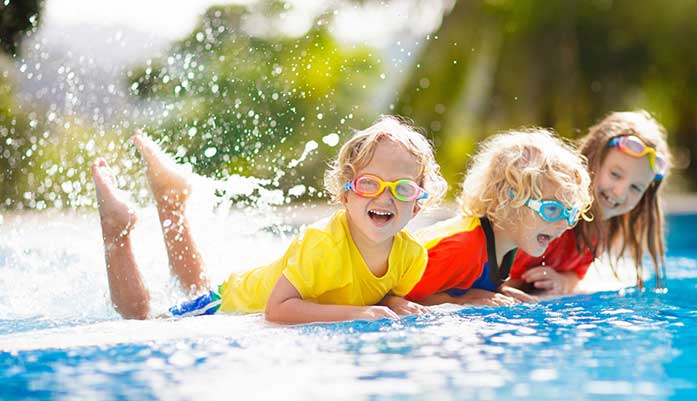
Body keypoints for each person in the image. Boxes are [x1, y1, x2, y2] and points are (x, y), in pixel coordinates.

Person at [92, 115, 448, 323]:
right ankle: (117, 231)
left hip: (240, 292)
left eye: (402, 189)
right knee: (143, 322)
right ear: (346, 193)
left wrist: (392, 303)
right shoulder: (323, 244)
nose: (385, 197)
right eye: (370, 184)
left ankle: (172, 202)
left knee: (193, 284)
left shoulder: (411, 256)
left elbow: (379, 296)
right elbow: (277, 311)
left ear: (418, 203)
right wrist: (358, 314)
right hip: (232, 302)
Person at [404, 128, 593, 306]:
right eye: (552, 210)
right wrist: (465, 299)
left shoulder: (505, 246)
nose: (565, 224)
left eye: (571, 214)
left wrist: (502, 291)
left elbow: (468, 282)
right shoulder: (462, 248)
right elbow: (399, 299)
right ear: (507, 200)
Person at [506, 110, 671, 298]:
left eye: (635, 188)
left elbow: (576, 275)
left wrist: (563, 281)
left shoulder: (596, 231)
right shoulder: (550, 210)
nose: (620, 192)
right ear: (590, 160)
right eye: (615, 174)